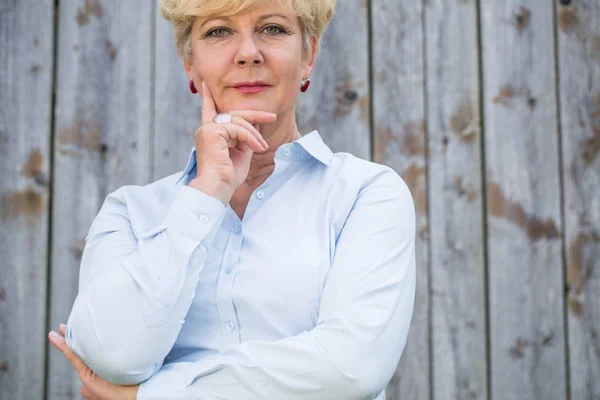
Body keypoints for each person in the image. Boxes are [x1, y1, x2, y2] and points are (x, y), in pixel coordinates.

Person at [48, 0, 416, 399]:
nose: (248, 53)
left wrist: (150, 396)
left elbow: (350, 369)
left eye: (273, 29)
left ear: (308, 55)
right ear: (191, 65)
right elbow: (112, 355)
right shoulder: (130, 212)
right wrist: (207, 193)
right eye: (218, 31)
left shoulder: (367, 194)